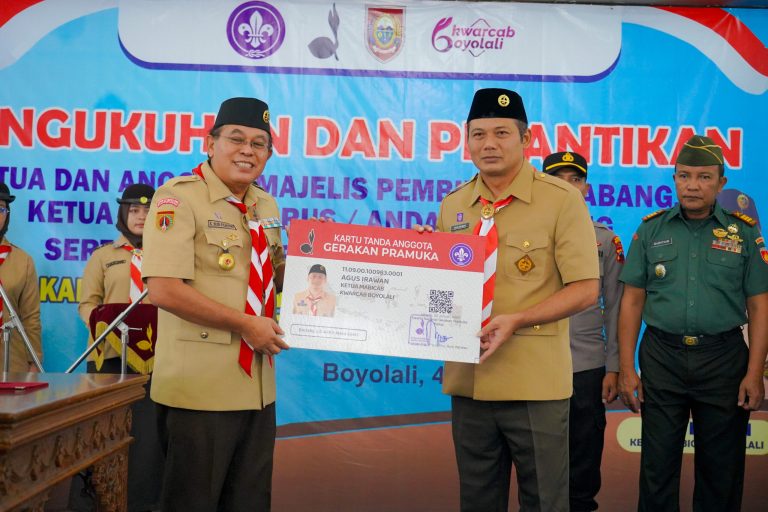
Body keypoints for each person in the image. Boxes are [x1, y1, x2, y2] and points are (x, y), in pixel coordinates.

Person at [419, 88, 600, 511]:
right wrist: (424, 260)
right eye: (478, 134)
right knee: (478, 501)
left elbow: (585, 289)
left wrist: (517, 319)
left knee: (544, 502)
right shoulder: (454, 204)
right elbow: (446, 292)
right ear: (467, 140)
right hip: (470, 381)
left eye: (501, 133)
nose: (489, 144)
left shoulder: (561, 200)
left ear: (526, 138)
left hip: (534, 384)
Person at [142, 97, 288, 511]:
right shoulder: (177, 199)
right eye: (236, 139)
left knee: (249, 503)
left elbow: (275, 277)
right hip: (199, 391)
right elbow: (163, 290)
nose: (248, 151)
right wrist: (245, 324)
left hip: (256, 388)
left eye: (259, 144)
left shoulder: (265, 204)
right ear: (210, 144)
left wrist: (329, 261)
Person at [618, 135, 768, 512]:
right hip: (662, 358)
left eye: (704, 177)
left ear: (720, 183)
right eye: (684, 176)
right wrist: (626, 368)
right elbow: (632, 301)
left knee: (721, 473)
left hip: (723, 360)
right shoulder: (651, 230)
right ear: (674, 179)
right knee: (657, 469)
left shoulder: (744, 232)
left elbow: (759, 305)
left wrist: (754, 373)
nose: (692, 185)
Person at [543, 151, 624, 512]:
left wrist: (614, 367)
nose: (568, 187)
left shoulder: (605, 240)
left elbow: (617, 308)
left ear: (586, 188)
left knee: (583, 460)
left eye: (575, 179)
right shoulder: (522, 235)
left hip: (586, 366)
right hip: (535, 364)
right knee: (538, 464)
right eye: (557, 180)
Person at [73, 183, 162, 512]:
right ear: (123, 213)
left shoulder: (168, 255)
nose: (141, 216)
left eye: (148, 211)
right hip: (108, 357)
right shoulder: (103, 256)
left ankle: (143, 501)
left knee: (149, 436)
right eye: (134, 210)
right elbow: (87, 304)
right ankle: (94, 502)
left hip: (155, 360)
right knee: (101, 432)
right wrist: (103, 326)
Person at [0, 182, 41, 372]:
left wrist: (34, 361)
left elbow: (30, 317)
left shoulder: (23, 261)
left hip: (11, 360)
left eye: (1, 209)